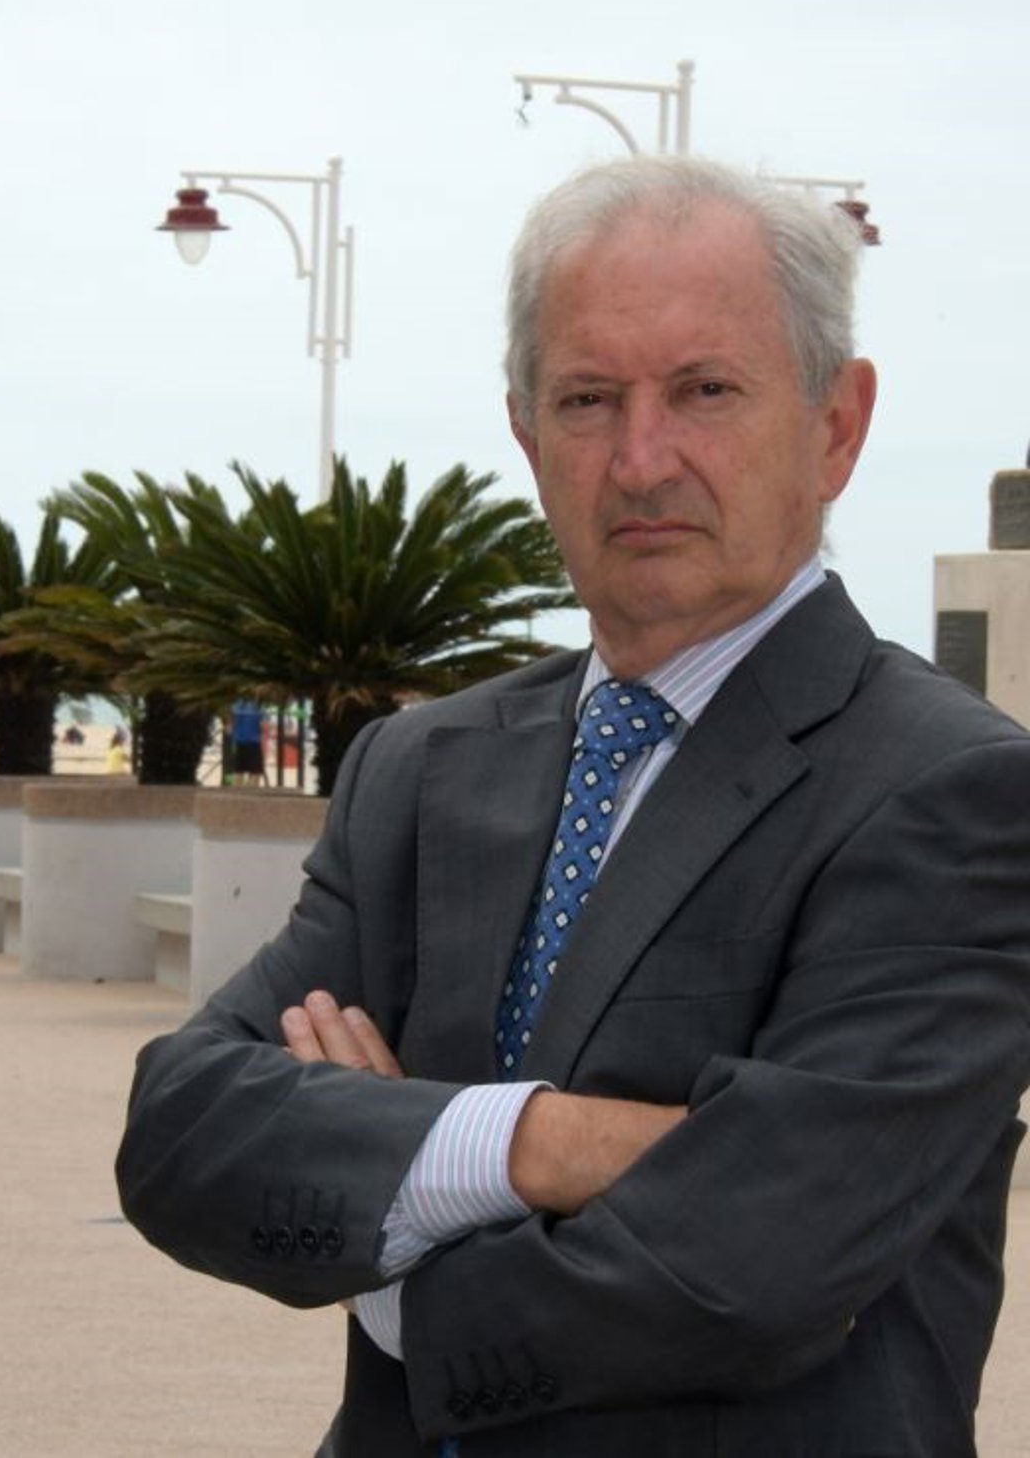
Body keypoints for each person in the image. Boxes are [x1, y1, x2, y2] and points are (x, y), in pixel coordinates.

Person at [115, 157, 1030, 1456]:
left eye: (706, 390)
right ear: (528, 436)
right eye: (589, 399)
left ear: (836, 427)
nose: (642, 459)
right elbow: (181, 1130)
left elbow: (756, 1260)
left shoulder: (953, 791)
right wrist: (532, 1143)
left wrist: (395, 1239)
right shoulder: (416, 770)